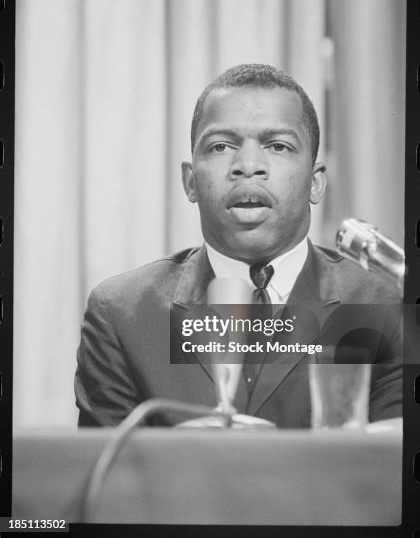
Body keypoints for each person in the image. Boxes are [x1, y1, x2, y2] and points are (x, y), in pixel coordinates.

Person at [75, 64, 402, 428]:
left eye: (278, 146)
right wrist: (173, 455)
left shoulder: (383, 303)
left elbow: (390, 473)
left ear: (315, 183)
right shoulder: (121, 313)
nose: (248, 166)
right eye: (220, 147)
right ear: (190, 182)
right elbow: (103, 475)